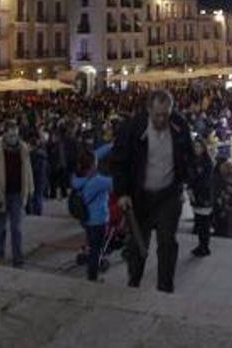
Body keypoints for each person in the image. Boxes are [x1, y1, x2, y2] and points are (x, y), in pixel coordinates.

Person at [112, 89, 195, 294]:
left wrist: (186, 182)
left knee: (167, 243)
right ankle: (134, 282)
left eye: (165, 114)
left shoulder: (179, 126)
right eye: (157, 114)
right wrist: (122, 192)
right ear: (149, 109)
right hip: (140, 195)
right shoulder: (132, 128)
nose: (161, 119)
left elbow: (189, 155)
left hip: (168, 193)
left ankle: (165, 287)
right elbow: (119, 162)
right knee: (138, 244)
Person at [0, 121, 33, 267]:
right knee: (1, 228)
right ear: (4, 134)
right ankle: (0, 254)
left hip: (18, 193)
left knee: (16, 228)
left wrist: (30, 189)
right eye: (10, 134)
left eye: (15, 134)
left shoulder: (23, 149)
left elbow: (28, 171)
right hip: (2, 193)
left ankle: (18, 258)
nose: (13, 137)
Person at [71, 147, 113, 282]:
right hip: (99, 221)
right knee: (96, 251)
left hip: (87, 220)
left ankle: (92, 276)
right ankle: (92, 279)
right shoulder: (98, 181)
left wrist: (110, 146)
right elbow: (118, 182)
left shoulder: (77, 179)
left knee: (92, 247)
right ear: (93, 164)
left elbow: (91, 156)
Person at [188, 137, 215, 257]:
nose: (196, 149)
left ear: (203, 148)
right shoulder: (193, 161)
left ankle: (205, 246)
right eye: (195, 147)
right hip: (195, 195)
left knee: (204, 223)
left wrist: (194, 190)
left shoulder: (207, 162)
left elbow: (205, 181)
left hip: (204, 195)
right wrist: (190, 190)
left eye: (198, 147)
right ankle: (201, 245)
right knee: (199, 221)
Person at [27, 132, 47, 216]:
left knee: (33, 193)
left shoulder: (31, 155)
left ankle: (33, 209)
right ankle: (38, 209)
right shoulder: (43, 155)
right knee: (39, 193)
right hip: (41, 176)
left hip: (33, 175)